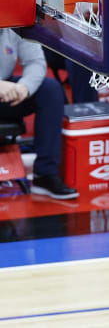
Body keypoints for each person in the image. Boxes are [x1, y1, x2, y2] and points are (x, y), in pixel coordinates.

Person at [0, 29, 78, 200]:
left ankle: (45, 174)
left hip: (6, 93)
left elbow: (36, 62)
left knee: (50, 90)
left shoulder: (15, 21)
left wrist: (24, 87)